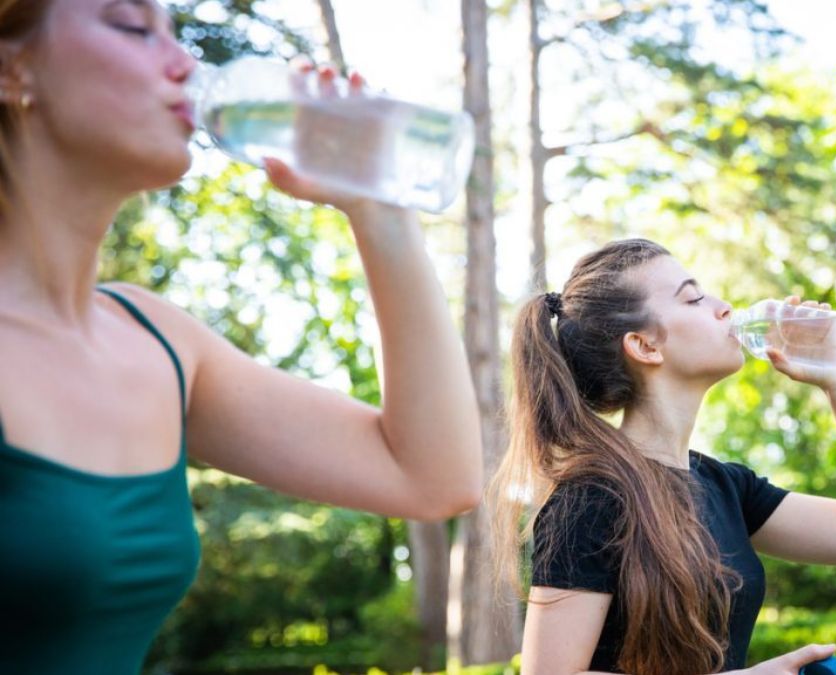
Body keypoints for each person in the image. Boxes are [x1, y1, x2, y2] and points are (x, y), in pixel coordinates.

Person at [0, 1, 482, 672]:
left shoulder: (156, 341)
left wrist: (379, 210)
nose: (184, 63)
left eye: (175, 32)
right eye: (133, 27)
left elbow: (433, 477)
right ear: (12, 66)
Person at [491, 239, 836, 674]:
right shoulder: (589, 500)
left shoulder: (725, 486)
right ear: (644, 345)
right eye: (694, 298)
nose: (725, 307)